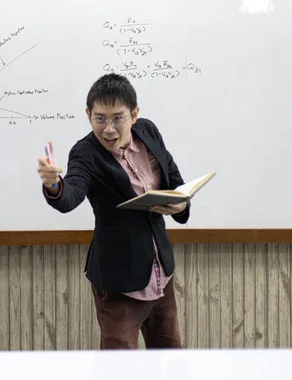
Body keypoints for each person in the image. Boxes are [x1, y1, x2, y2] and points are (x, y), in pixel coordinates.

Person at [37, 73, 189, 350]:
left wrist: (180, 205)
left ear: (134, 114)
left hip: (160, 274)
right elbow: (70, 195)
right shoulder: (86, 153)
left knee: (170, 359)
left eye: (117, 118)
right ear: (88, 115)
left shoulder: (149, 132)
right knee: (119, 371)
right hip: (120, 282)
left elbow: (176, 182)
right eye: (100, 118)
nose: (108, 129)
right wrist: (54, 185)